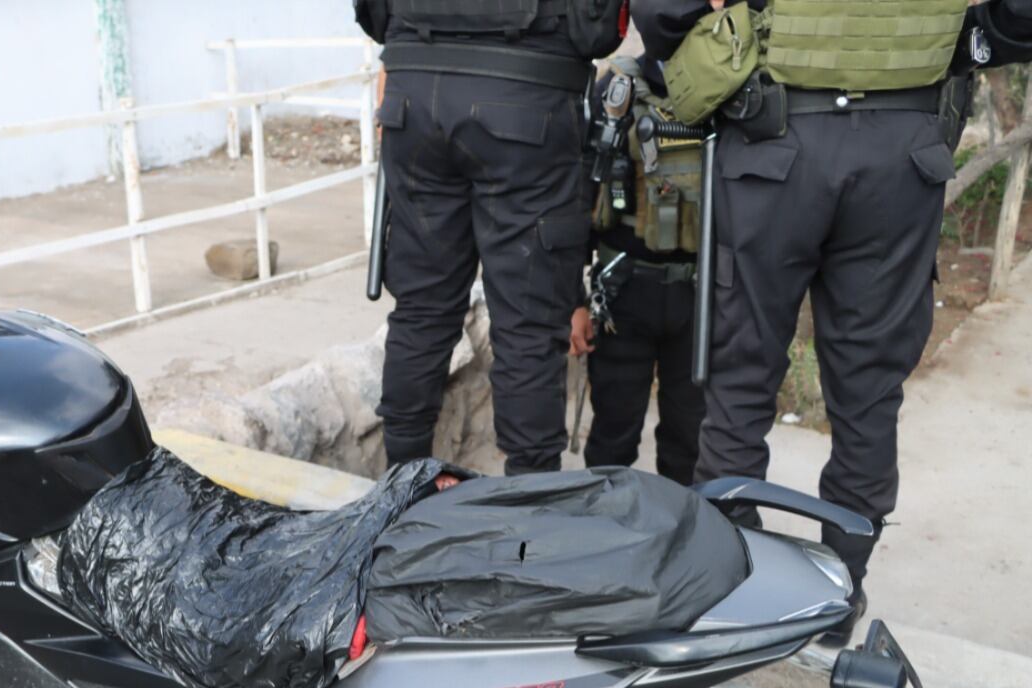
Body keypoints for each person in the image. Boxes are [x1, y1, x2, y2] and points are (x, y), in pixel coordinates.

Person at [631, 0, 1032, 634]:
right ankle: (839, 601)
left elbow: (661, 16)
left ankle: (734, 598)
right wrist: (961, 45)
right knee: (870, 398)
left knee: (739, 385)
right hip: (903, 152)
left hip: (772, 145)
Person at [354, 0, 626, 475]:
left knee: (421, 310)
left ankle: (401, 487)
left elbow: (373, 15)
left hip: (415, 96)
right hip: (526, 100)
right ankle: (527, 508)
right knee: (527, 323)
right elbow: (598, 28)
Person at [570, 54, 706, 485]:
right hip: (622, 293)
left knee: (690, 440)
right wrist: (572, 301)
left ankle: (685, 538)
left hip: (699, 295)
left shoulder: (726, 84)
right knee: (613, 437)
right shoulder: (616, 89)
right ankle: (609, 536)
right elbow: (581, 193)